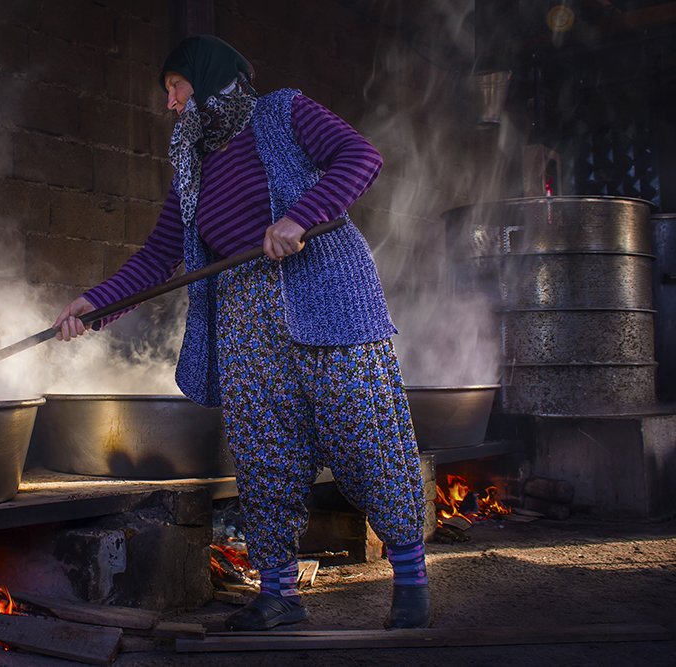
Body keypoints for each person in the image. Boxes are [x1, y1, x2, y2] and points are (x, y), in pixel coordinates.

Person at [53, 35, 429, 632]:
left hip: (327, 296)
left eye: (176, 87)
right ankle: (279, 596)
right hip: (245, 319)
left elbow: (361, 158)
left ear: (207, 79)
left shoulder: (283, 112)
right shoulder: (193, 167)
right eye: (168, 94)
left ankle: (410, 581)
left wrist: (299, 216)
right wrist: (95, 304)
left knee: (368, 438)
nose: (171, 104)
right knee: (265, 455)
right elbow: (159, 256)